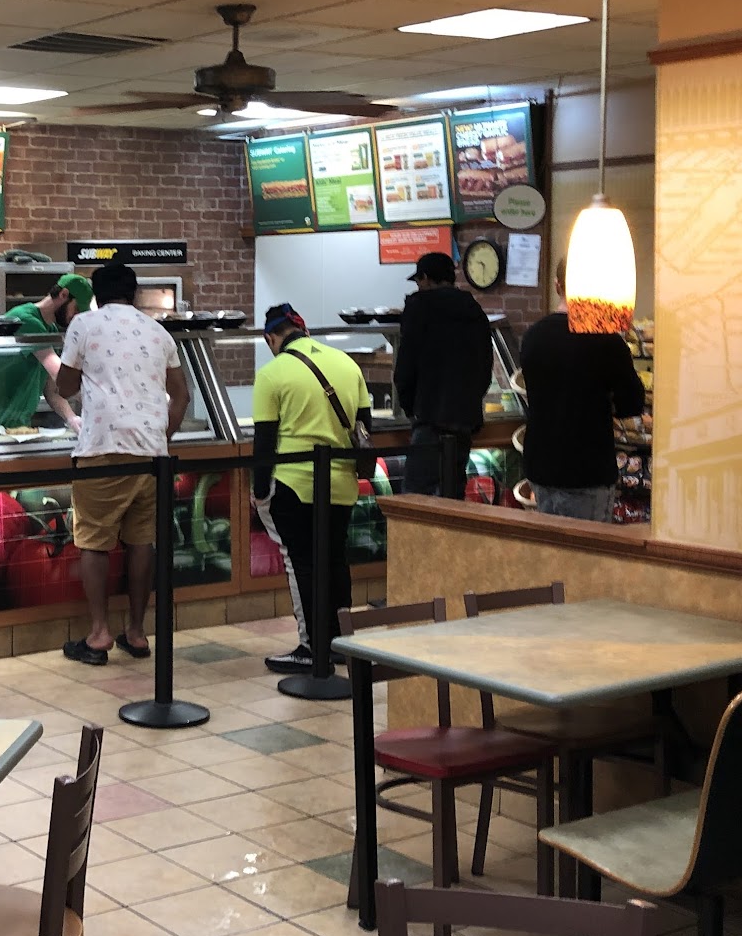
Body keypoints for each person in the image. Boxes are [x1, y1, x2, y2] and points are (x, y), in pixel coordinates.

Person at [54, 263, 187, 666]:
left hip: (103, 449)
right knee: (141, 541)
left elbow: (64, 386)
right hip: (151, 455)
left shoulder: (83, 324)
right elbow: (181, 396)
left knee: (94, 541)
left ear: (96, 294)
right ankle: (137, 632)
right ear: (134, 293)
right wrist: (161, 437)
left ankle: (99, 634)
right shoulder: (158, 331)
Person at [250, 302, 372, 676]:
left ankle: (311, 647)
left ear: (271, 337)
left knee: (300, 562)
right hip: (342, 483)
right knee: (335, 559)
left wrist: (259, 491)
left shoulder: (272, 374)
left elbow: (264, 441)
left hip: (293, 483)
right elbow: (364, 427)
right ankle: (341, 642)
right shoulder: (347, 364)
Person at [517, 259, 646, 522]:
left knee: (549, 543)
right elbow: (631, 404)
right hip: (586, 469)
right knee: (586, 547)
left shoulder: (533, 336)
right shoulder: (607, 341)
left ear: (557, 286)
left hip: (540, 465)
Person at [393, 251, 496, 501]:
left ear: (425, 278)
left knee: (416, 500)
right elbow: (486, 365)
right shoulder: (474, 310)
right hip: (465, 420)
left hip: (430, 417)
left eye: (419, 281)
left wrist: (410, 409)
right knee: (451, 496)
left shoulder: (420, 308)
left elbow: (405, 367)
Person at [0, 274, 91, 436]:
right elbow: (58, 373)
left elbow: (52, 391)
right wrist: (96, 396)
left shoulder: (50, 331)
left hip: (15, 415)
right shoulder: (26, 319)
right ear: (63, 294)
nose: (76, 317)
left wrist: (72, 418)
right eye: (76, 309)